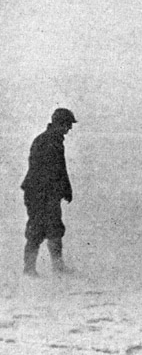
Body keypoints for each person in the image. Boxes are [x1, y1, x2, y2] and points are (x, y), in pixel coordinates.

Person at [21, 108, 77, 276]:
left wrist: (66, 189)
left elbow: (60, 169)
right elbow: (46, 171)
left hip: (47, 193)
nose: (69, 129)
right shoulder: (47, 141)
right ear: (60, 123)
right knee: (36, 230)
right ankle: (29, 269)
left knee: (54, 229)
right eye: (68, 125)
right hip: (39, 193)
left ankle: (58, 267)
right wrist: (55, 192)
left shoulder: (53, 140)